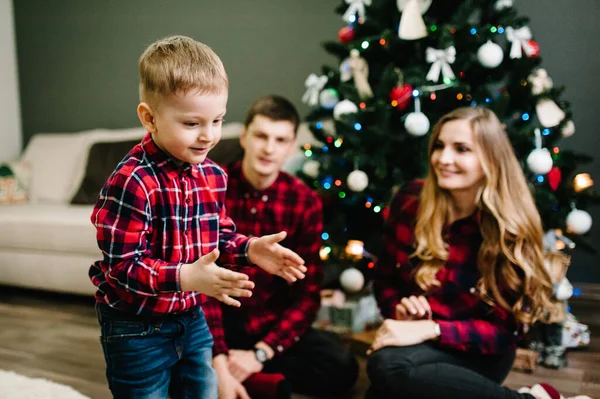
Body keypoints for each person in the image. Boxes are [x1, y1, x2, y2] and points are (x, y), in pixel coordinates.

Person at [89, 36, 307, 399]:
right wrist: (187, 275)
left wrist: (249, 249)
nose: (209, 135)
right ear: (150, 118)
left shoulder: (213, 175)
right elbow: (122, 268)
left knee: (201, 392)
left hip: (192, 318)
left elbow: (217, 237)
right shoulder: (133, 181)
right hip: (137, 329)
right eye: (192, 123)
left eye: (218, 120)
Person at [366, 107, 572, 399]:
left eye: (461, 149)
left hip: (479, 352)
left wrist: (433, 329)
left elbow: (505, 334)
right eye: (439, 146)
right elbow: (384, 280)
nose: (443, 159)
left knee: (389, 368)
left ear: (490, 159)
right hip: (417, 344)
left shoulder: (510, 228)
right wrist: (401, 309)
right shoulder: (410, 201)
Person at [205, 95, 358, 399]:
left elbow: (307, 295)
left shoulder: (305, 202)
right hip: (219, 317)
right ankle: (234, 374)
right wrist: (219, 355)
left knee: (341, 367)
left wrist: (260, 354)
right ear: (245, 137)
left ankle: (245, 374)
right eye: (261, 136)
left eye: (280, 140)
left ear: (291, 147)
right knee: (173, 350)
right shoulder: (211, 187)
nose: (268, 148)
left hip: (270, 322)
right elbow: (201, 284)